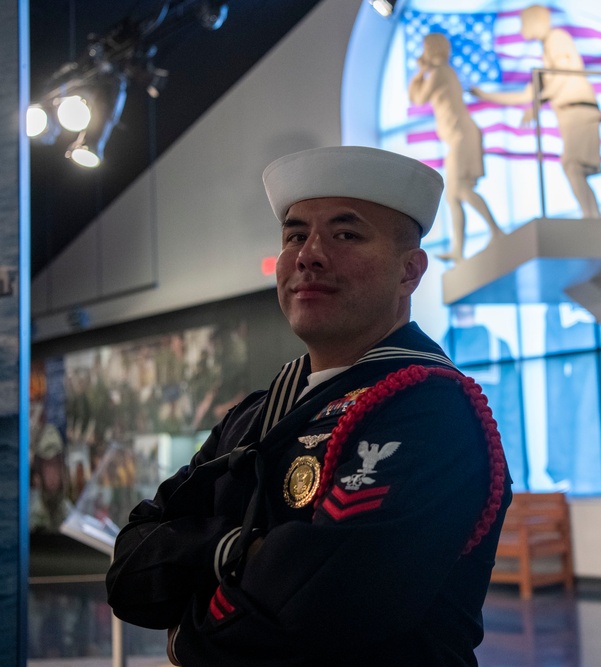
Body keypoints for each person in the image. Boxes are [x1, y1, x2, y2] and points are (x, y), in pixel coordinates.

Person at [106, 146, 512, 666]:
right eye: (296, 235)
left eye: (346, 234)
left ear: (409, 272)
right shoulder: (253, 415)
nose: (309, 254)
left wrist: (190, 631)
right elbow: (130, 568)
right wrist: (243, 552)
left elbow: (330, 607)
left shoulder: (430, 409)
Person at [470, 4, 601, 219]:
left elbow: (564, 73)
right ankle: (592, 215)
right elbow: (527, 95)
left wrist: (537, 104)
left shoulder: (556, 38)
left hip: (579, 110)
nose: (522, 28)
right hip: (570, 115)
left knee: (572, 165)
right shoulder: (547, 50)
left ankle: (592, 216)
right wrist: (486, 96)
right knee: (574, 167)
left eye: (524, 22)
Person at [408, 32, 504, 262]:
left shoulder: (440, 72)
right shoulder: (443, 72)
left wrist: (420, 71)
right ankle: (459, 251)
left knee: (461, 190)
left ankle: (496, 231)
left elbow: (418, 98)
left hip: (462, 136)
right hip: (458, 137)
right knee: (453, 196)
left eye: (426, 48)